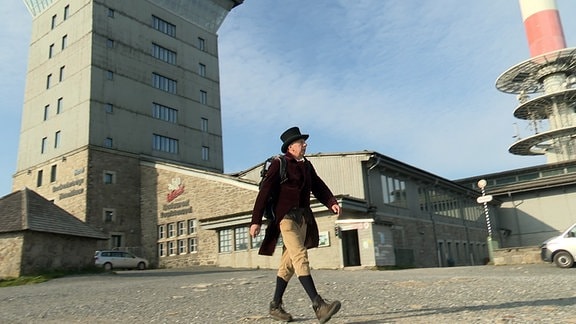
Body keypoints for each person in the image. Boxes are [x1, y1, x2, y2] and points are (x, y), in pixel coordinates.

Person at [250, 126, 342, 323]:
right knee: (300, 256)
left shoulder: (306, 166)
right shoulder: (279, 164)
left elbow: (318, 185)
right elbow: (264, 192)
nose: (305, 145)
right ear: (291, 147)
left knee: (289, 263)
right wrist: (255, 221)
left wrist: (331, 202)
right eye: (301, 142)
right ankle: (318, 305)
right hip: (285, 218)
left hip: (302, 218)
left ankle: (275, 305)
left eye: (304, 142)